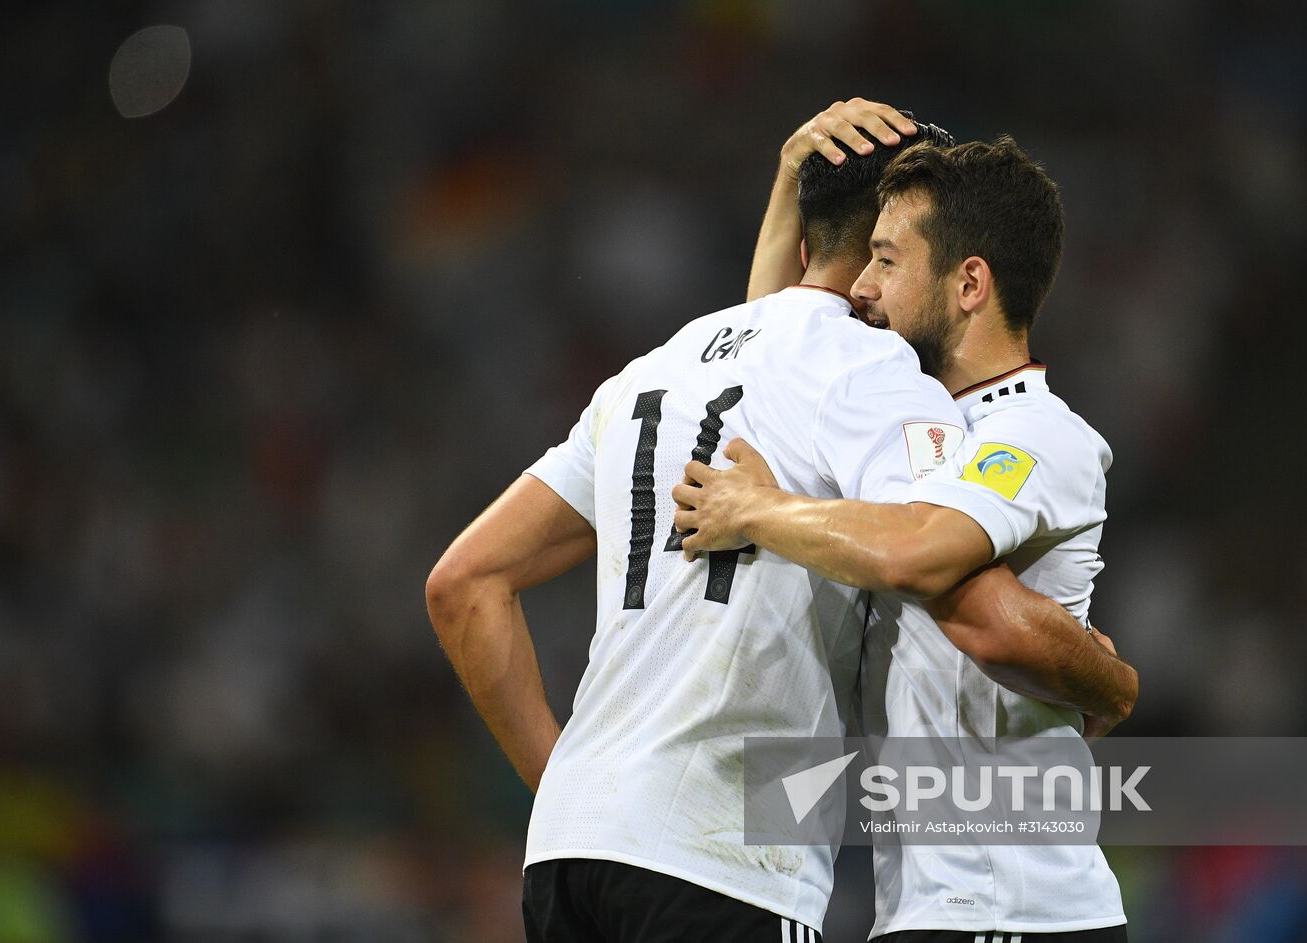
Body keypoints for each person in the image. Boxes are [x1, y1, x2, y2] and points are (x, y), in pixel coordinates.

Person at [425, 112, 1133, 943]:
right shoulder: (869, 380)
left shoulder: (652, 373)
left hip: (576, 854)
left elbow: (460, 581)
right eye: (869, 257)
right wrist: (1110, 680)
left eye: (889, 260)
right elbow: (918, 548)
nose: (868, 288)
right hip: (722, 861)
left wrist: (571, 796)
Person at [675, 102, 1131, 941]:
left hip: (1017, 907)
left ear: (968, 284)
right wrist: (790, 177)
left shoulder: (1030, 434)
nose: (861, 286)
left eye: (886, 259)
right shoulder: (912, 429)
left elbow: (921, 553)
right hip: (930, 905)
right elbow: (778, 348)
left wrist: (760, 507)